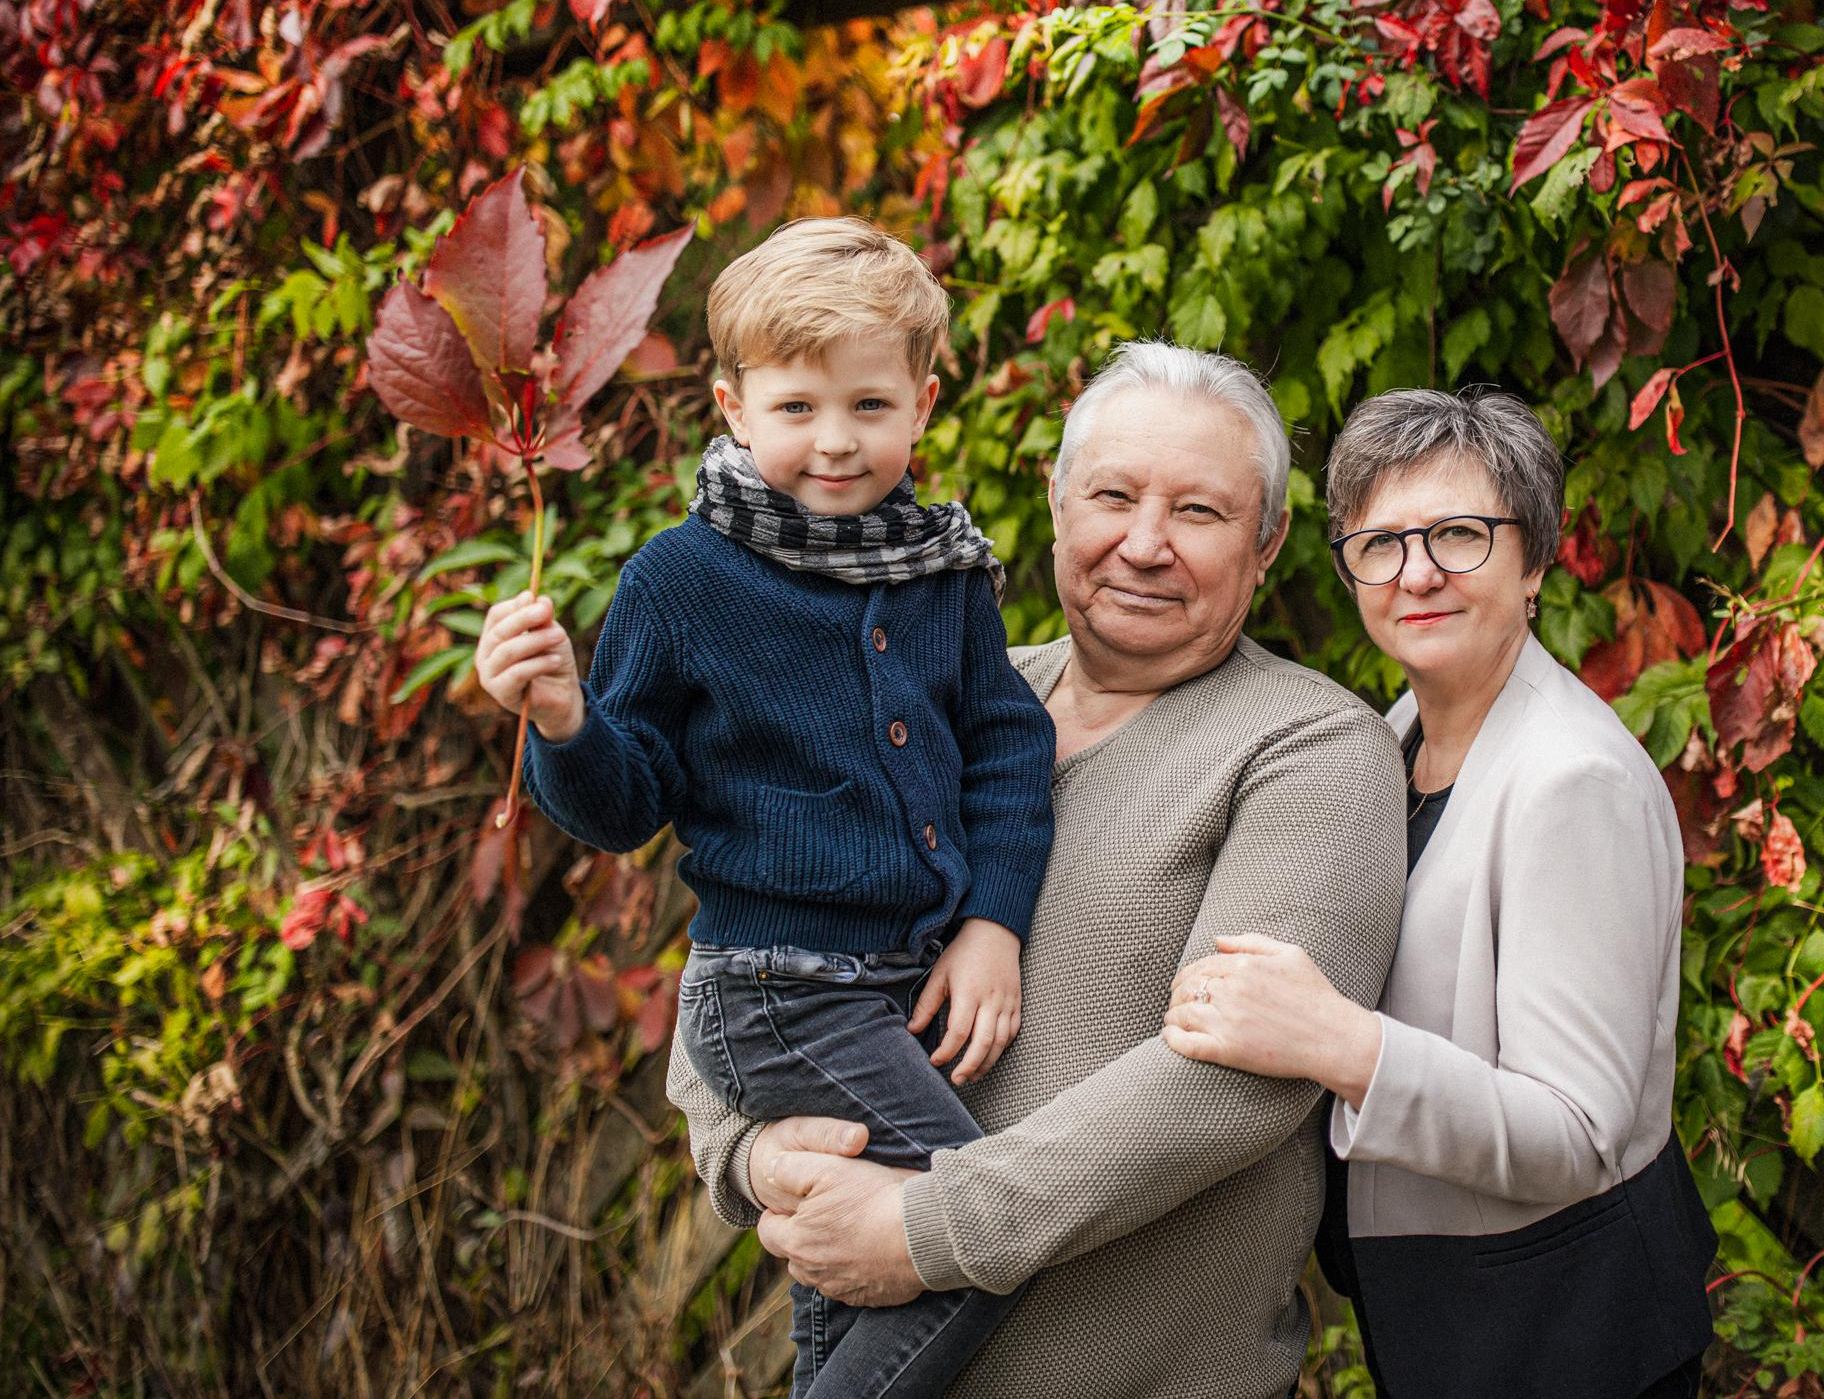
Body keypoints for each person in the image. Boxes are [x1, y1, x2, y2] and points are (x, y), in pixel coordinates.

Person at [665, 341, 1409, 1399]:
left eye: (1198, 512)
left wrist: (924, 1228)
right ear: (1057, 505)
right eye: (1112, 494)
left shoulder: (1309, 748)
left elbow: (1237, 1086)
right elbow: (742, 961)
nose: (1143, 544)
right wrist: (749, 1155)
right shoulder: (934, 702)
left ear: (1269, 541)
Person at [471, 217, 1059, 1399]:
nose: (835, 443)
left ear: (925, 403)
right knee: (979, 1235)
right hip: (779, 990)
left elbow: (1006, 742)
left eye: (869, 407)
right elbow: (626, 798)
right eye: (797, 409)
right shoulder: (681, 579)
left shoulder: (939, 571)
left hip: (897, 982)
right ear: (735, 407)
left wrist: (994, 919)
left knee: (852, 1260)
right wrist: (564, 719)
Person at [1159, 386, 1718, 1398]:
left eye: (1459, 534)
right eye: (1380, 542)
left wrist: (1337, 1040)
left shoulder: (1569, 782)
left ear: (1535, 557)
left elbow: (1579, 1133)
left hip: (1562, 1327)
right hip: (1450, 1304)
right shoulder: (1400, 734)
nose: (1416, 572)